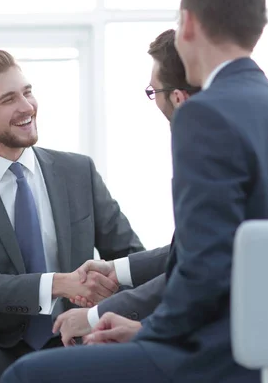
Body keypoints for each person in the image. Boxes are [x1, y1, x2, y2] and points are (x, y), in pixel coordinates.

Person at [0, 0, 268, 382]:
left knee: (25, 376)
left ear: (189, 24)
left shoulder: (206, 114)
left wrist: (153, 338)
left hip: (219, 359)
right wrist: (143, 329)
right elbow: (234, 256)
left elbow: (204, 266)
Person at [0, 49, 145, 383]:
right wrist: (59, 283)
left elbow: (131, 258)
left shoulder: (77, 172)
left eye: (27, 92)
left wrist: (100, 308)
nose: (27, 107)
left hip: (79, 335)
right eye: (9, 99)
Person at [54, 28, 201, 345]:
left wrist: (93, 315)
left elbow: (193, 268)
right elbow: (186, 250)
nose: (155, 99)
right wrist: (114, 271)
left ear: (178, 96)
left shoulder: (206, 152)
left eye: (154, 91)